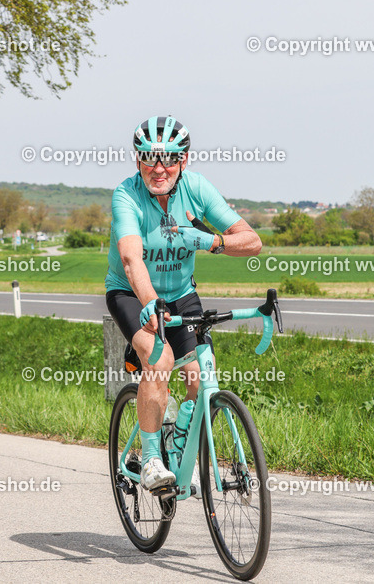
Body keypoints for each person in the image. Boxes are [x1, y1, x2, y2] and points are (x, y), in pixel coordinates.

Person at [105, 116, 262, 490]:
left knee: (201, 375)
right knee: (159, 360)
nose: (159, 168)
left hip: (181, 294)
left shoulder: (197, 188)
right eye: (150, 158)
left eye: (170, 159)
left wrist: (212, 241)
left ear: (184, 160)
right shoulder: (126, 195)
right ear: (138, 160)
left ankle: (179, 445)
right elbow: (131, 259)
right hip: (132, 294)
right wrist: (150, 303)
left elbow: (252, 241)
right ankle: (150, 460)